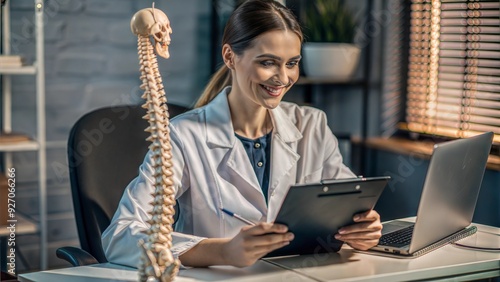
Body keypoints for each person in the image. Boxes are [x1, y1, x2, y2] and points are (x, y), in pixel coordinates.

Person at [102, 0, 382, 268]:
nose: (283, 78)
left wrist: (362, 229)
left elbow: (348, 201)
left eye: (292, 63)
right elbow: (120, 236)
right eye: (268, 62)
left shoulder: (311, 124)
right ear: (230, 57)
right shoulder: (182, 135)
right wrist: (222, 251)